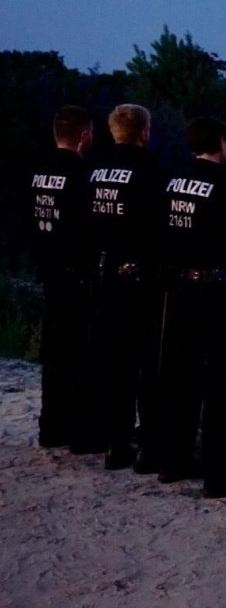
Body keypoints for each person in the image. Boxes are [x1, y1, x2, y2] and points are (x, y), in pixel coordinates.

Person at [159, 117, 226, 498]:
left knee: (180, 378)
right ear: (222, 142)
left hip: (180, 291)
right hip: (219, 293)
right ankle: (221, 472)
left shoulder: (171, 183)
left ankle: (174, 459)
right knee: (225, 382)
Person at [85, 104, 165, 472]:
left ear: (112, 130)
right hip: (142, 277)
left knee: (114, 361)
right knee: (148, 363)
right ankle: (150, 445)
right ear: (144, 131)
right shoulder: (151, 170)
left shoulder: (93, 169)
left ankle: (115, 442)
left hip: (104, 275)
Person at [29, 105, 102, 453]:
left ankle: (50, 426)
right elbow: (89, 227)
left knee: (54, 354)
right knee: (81, 356)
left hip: (50, 271)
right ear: (85, 135)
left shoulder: (40, 172)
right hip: (77, 274)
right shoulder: (82, 174)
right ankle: (80, 432)